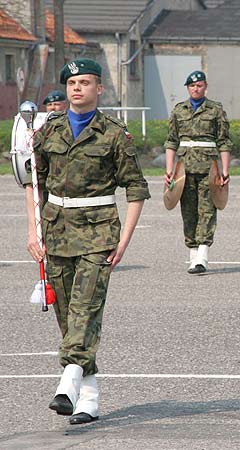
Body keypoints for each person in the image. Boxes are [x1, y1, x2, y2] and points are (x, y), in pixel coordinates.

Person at [25, 58, 150, 424]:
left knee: (85, 308)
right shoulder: (48, 133)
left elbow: (137, 190)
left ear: (99, 89)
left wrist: (125, 240)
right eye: (72, 82)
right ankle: (90, 397)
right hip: (57, 231)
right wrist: (32, 231)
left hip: (99, 234)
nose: (77, 88)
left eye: (85, 82)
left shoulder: (114, 133)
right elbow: (34, 185)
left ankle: (68, 382)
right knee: (68, 316)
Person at [164, 70, 232, 274]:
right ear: (187, 88)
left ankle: (202, 257)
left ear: (205, 87)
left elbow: (224, 141)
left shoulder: (216, 110)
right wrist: (168, 169)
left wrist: (225, 170)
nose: (196, 88)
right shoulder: (178, 110)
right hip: (184, 169)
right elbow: (172, 141)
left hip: (208, 169)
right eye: (192, 86)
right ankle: (193, 256)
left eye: (200, 85)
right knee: (188, 211)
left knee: (208, 211)